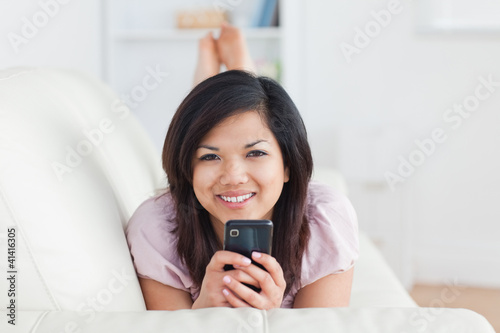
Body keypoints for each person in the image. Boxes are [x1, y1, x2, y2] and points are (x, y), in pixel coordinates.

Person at [126, 23, 359, 310]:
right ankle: (232, 77)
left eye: (256, 153)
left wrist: (271, 319)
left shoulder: (325, 221)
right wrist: (203, 313)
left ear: (288, 165)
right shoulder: (156, 227)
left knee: (247, 113)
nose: (233, 176)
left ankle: (234, 75)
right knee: (237, 119)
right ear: (187, 170)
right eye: (209, 157)